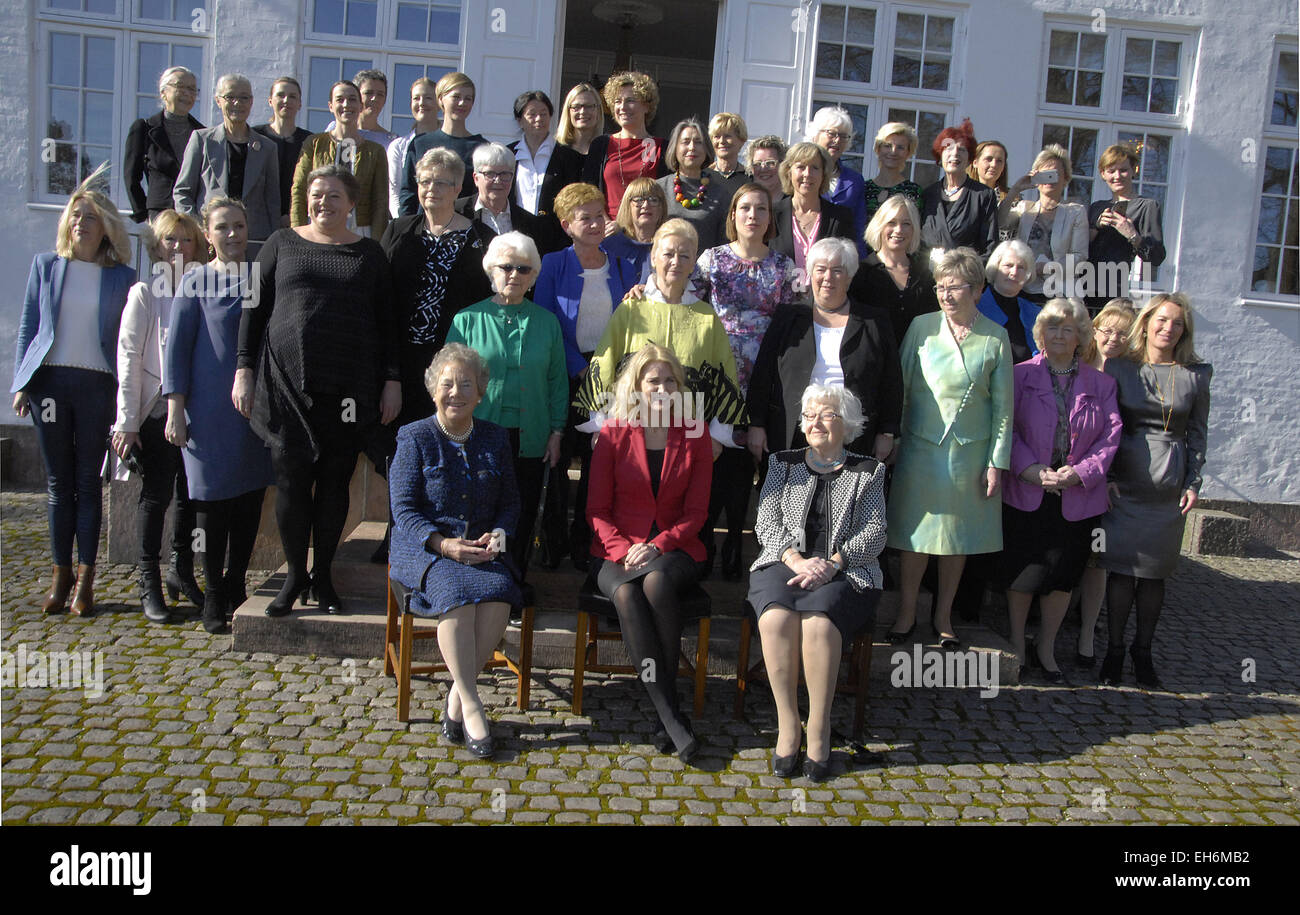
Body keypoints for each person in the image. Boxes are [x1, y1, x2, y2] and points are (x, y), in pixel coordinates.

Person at [235, 165, 400, 618]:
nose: (323, 202)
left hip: (349, 389)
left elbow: (388, 323)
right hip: (287, 384)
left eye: (333, 196)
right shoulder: (280, 243)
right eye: (315, 194)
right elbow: (254, 308)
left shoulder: (369, 254)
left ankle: (323, 575)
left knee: (333, 483)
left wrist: (391, 380)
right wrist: (243, 368)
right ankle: (293, 576)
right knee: (290, 481)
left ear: (351, 203)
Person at [388, 344, 523, 759]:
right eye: (447, 384)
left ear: (480, 393)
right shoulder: (414, 437)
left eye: (467, 384)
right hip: (426, 548)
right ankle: (473, 703)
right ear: (433, 390)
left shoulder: (495, 438)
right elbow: (403, 509)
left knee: (500, 596)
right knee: (459, 600)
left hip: (480, 547)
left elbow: (511, 502)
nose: (456, 392)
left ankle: (454, 701)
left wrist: (499, 533)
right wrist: (442, 543)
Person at [12, 171, 135, 618]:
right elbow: (30, 326)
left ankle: (86, 581)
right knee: (58, 485)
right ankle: (59, 576)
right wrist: (23, 381)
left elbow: (129, 339)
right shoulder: (46, 266)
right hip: (51, 384)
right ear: (68, 223)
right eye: (76, 216)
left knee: (87, 483)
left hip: (97, 386)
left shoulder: (123, 277)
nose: (82, 222)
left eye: (91, 217)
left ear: (106, 227)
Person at [749, 384, 887, 781]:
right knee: (775, 620)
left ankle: (820, 727)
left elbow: (875, 532)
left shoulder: (869, 470)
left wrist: (831, 563)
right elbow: (766, 522)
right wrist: (794, 559)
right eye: (809, 416)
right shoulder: (782, 463)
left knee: (818, 623)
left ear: (847, 424)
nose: (815, 422)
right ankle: (788, 724)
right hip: (781, 562)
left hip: (847, 569)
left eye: (826, 414)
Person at [586, 344, 713, 763]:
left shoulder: (694, 432)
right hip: (615, 549)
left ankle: (666, 712)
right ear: (637, 386)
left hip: (677, 547)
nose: (661, 388)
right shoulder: (614, 432)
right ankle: (669, 714)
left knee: (657, 580)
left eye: (669, 380)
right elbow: (597, 511)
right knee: (626, 593)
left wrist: (657, 544)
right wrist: (625, 549)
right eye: (652, 380)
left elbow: (697, 513)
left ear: (679, 387)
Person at [886, 247, 1012, 648]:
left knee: (956, 540)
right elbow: (900, 388)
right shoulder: (922, 327)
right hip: (921, 447)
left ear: (976, 289)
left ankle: (943, 617)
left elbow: (1004, 409)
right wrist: (894, 438)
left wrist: (997, 462)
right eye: (940, 287)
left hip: (968, 454)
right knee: (915, 536)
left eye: (954, 287)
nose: (945, 295)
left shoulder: (996, 336)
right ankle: (907, 612)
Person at [164, 198, 274, 633]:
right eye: (223, 227)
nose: (233, 234)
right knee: (210, 504)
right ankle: (211, 594)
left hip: (253, 411)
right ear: (207, 236)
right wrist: (175, 407)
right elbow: (178, 348)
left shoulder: (260, 279)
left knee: (248, 500)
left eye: (241, 225)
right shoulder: (194, 281)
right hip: (207, 410)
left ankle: (234, 584)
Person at [998, 298, 1121, 681]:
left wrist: (1080, 473)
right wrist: (1029, 469)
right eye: (1052, 327)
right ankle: (1017, 643)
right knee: (1023, 571)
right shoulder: (1018, 375)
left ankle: (1046, 645)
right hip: (1028, 489)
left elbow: (1110, 436)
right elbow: (1006, 428)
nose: (1060, 335)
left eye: (1068, 328)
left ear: (1081, 336)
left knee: (1063, 575)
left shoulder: (1101, 383)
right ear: (1040, 333)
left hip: (1078, 495)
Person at [1098, 294, 1211, 688]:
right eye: (1161, 320)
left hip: (1169, 484)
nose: (1168, 329)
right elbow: (1108, 425)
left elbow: (1198, 432)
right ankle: (1113, 652)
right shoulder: (1119, 367)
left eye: (1177, 323)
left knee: (1154, 574)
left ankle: (1142, 652)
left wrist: (1194, 481)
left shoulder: (1196, 373)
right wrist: (1107, 476)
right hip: (1125, 477)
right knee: (1121, 570)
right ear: (1146, 323)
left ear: (1184, 331)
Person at [694, 183, 799, 579]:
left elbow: (792, 328)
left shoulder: (783, 268)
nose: (753, 216)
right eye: (745, 208)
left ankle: (739, 541)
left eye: (761, 209)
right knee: (714, 463)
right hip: (716, 377)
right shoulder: (711, 260)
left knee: (746, 467)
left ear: (771, 219)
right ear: (733, 215)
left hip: (764, 377)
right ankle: (704, 541)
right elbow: (686, 303)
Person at [446, 232, 568, 573]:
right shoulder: (466, 320)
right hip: (478, 434)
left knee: (522, 509)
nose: (514, 275)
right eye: (506, 267)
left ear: (533, 277)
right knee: (482, 508)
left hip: (531, 436)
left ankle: (513, 576)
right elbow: (448, 383)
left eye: (523, 269)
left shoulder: (547, 323)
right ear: (491, 270)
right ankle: (484, 574)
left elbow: (557, 382)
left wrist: (557, 432)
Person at [532, 183, 639, 565]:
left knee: (600, 467)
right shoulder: (552, 264)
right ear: (566, 224)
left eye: (599, 215)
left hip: (611, 376)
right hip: (566, 372)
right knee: (559, 460)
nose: (595, 224)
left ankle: (588, 544)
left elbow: (630, 324)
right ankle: (553, 542)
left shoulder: (622, 264)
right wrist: (580, 368)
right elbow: (546, 324)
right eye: (585, 218)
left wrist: (609, 373)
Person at [576, 219, 746, 457]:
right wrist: (602, 424)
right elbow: (603, 366)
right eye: (668, 254)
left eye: (685, 256)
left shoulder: (707, 317)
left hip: (688, 439)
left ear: (692, 265)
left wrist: (718, 436)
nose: (676, 262)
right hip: (631, 433)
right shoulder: (630, 309)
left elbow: (726, 377)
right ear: (654, 258)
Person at [112, 209, 209, 622]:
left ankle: (181, 569)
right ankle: (148, 581)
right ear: (156, 245)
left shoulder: (204, 288)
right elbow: (129, 359)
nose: (178, 247)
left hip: (196, 410)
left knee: (190, 495)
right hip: (154, 409)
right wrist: (126, 421)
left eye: (186, 240)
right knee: (157, 495)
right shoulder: (144, 293)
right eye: (170, 239)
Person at [748, 237, 901, 466]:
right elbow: (763, 373)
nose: (828, 278)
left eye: (837, 271)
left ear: (849, 277)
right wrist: (757, 424)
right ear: (810, 274)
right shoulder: (788, 317)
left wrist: (887, 432)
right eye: (821, 269)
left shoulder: (874, 321)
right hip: (794, 432)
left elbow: (891, 381)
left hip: (853, 435)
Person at [381, 148, 494, 430]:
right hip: (402, 361)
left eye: (441, 182)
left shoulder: (482, 238)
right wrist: (389, 372)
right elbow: (381, 297)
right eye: (424, 182)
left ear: (457, 188)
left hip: (455, 364)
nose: (431, 189)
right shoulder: (399, 231)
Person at [1076, 298, 1137, 664]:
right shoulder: (1077, 365)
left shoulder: (1131, 375)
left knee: (1097, 558)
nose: (1113, 338)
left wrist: (1110, 475)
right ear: (1095, 330)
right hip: (1072, 475)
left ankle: (1087, 631)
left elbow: (1123, 433)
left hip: (1107, 478)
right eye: (1107, 330)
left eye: (1122, 333)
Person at [174, 73, 280, 251]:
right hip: (208, 242)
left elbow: (273, 202)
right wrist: (199, 229)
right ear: (218, 101)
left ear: (251, 102)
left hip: (252, 244)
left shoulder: (267, 147)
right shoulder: (202, 140)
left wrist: (272, 244)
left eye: (244, 97)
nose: (237, 103)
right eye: (230, 97)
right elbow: (182, 192)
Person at [291, 81, 389, 239]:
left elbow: (380, 202)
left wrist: (378, 244)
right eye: (340, 99)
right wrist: (297, 233)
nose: (346, 104)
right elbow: (299, 189)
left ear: (360, 106)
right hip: (318, 227)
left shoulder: (375, 151)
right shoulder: (314, 143)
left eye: (352, 99)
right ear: (330, 106)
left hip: (360, 231)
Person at [998, 144, 1088, 302]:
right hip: (1022, 290)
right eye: (1044, 174)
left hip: (1059, 293)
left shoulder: (1075, 212)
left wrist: (1047, 268)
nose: (1049, 179)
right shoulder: (1024, 208)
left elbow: (1079, 257)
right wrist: (1016, 190)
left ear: (1065, 178)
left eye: (1054, 174)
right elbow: (1000, 222)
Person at [1087, 144, 1166, 313]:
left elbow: (1156, 257)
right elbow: (1079, 250)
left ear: (1133, 171)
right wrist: (1095, 226)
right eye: (1111, 171)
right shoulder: (1096, 207)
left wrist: (1132, 235)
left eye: (1123, 170)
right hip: (1083, 289)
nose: (1117, 176)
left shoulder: (1146, 206)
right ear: (1102, 174)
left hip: (1115, 293)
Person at [849, 194, 937, 343]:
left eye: (906, 224)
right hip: (875, 361)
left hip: (914, 361)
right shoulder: (860, 273)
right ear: (879, 226)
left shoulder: (925, 275)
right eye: (892, 222)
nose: (899, 230)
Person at [581, 71, 667, 218]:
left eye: (630, 100)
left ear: (647, 106)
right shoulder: (601, 145)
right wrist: (607, 223)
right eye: (617, 101)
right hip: (606, 233)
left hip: (645, 233)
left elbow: (666, 199)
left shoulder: (662, 148)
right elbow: (589, 192)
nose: (623, 107)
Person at [509, 89, 585, 254]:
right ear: (519, 120)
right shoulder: (508, 155)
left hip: (556, 242)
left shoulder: (570, 158)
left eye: (544, 114)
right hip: (515, 238)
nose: (539, 119)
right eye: (532, 114)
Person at [124, 66, 203, 224]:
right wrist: (143, 213)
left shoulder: (203, 133)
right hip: (159, 215)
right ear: (163, 93)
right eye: (180, 87)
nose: (187, 93)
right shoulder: (144, 128)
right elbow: (131, 176)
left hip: (192, 216)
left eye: (192, 89)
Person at [399, 72, 486, 212]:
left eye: (468, 98)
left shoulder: (481, 148)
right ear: (441, 99)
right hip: (424, 228)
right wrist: (408, 227)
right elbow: (408, 192)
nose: (462, 103)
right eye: (456, 97)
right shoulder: (420, 143)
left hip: (466, 228)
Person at [769, 142, 855, 281]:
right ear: (789, 172)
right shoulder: (770, 214)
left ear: (823, 174)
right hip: (778, 301)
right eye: (801, 167)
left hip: (823, 300)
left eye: (815, 168)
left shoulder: (840, 217)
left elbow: (848, 267)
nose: (807, 174)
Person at [919, 119, 997, 257]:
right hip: (927, 276)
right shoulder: (927, 195)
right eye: (948, 148)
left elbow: (989, 247)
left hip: (966, 275)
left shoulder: (983, 195)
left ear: (969, 159)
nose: (955, 153)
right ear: (940, 155)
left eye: (962, 149)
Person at [658, 118, 727, 250]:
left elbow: (725, 245)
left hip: (705, 269)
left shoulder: (720, 194)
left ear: (706, 148)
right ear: (675, 148)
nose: (692, 147)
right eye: (685, 142)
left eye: (698, 142)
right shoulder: (659, 189)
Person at [253, 76, 313, 227]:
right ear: (270, 100)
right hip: (259, 220)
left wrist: (292, 215)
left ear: (300, 104)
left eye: (292, 96)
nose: (286, 100)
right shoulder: (255, 136)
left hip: (296, 221)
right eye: (281, 95)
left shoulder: (309, 141)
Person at [809, 106, 868, 257]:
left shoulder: (854, 180)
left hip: (841, 261)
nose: (837, 140)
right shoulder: (801, 174)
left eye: (843, 136)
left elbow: (859, 227)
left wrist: (859, 263)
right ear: (815, 135)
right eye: (831, 133)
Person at [454, 143, 539, 242]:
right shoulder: (456, 212)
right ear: (476, 178)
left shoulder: (529, 223)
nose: (498, 180)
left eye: (504, 174)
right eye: (490, 174)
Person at [977, 240, 1041, 364]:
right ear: (995, 268)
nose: (1014, 272)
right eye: (1008, 265)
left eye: (1021, 267)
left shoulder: (1035, 313)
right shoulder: (975, 309)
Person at [386, 77, 440, 219]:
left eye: (428, 98)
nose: (421, 103)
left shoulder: (447, 142)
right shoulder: (398, 146)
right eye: (416, 98)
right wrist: (403, 222)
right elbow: (394, 189)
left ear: (439, 103)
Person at [600, 176, 667, 282]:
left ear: (662, 207)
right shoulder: (609, 246)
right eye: (639, 200)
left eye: (653, 200)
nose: (646, 205)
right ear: (628, 206)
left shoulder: (670, 245)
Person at [863, 122, 922, 225]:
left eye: (900, 147)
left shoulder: (913, 191)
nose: (893, 151)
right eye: (887, 146)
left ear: (908, 153)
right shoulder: (863, 188)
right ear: (878, 149)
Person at [707, 112, 750, 204]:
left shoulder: (750, 178)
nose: (722, 141)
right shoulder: (703, 176)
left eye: (727, 136)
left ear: (741, 140)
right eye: (717, 136)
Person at [555, 82, 604, 156]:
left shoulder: (607, 150)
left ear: (598, 111)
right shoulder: (555, 150)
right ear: (568, 112)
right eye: (576, 106)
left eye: (589, 106)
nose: (583, 112)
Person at [354, 69, 398, 148]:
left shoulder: (392, 141)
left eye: (380, 94)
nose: (374, 98)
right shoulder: (338, 130)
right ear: (356, 96)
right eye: (368, 93)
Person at [745, 135, 787, 203]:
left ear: (783, 165)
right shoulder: (743, 201)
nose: (763, 168)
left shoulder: (794, 205)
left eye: (770, 163)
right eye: (757, 164)